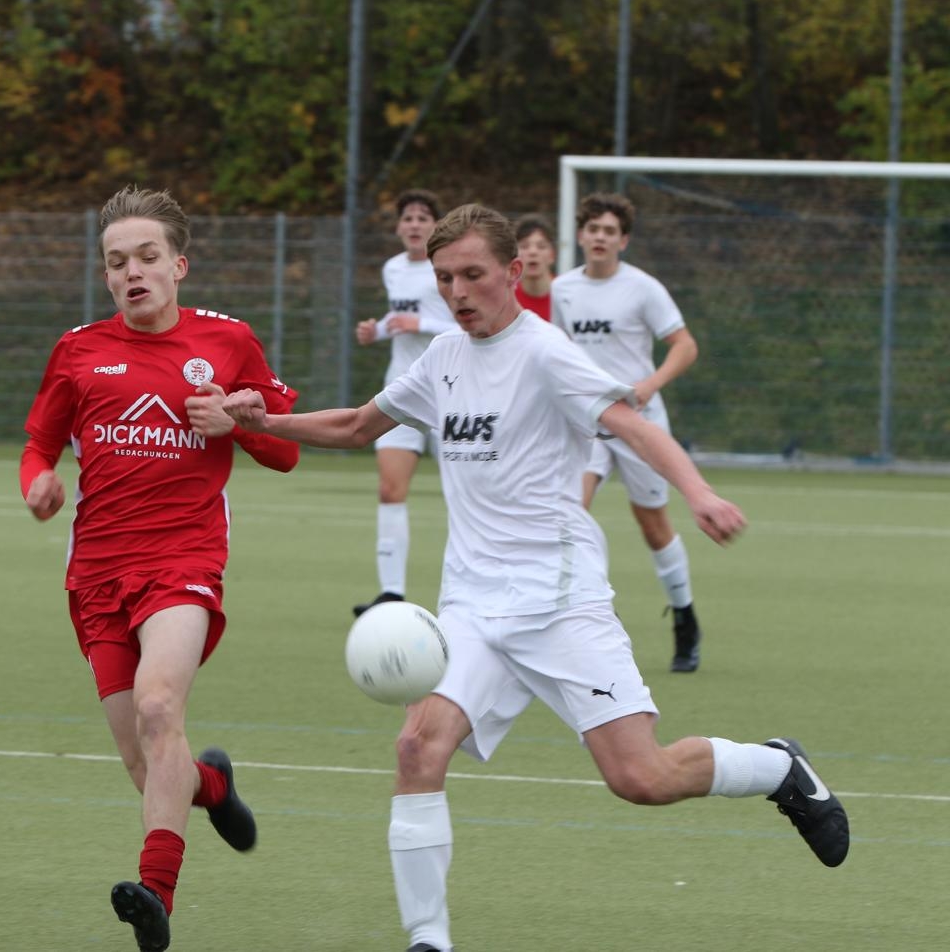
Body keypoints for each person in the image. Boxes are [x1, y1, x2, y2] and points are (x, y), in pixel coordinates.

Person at [223, 203, 849, 952]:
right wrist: (263, 423)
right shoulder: (443, 356)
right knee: (418, 748)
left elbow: (633, 426)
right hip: (470, 605)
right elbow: (360, 425)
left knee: (641, 778)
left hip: (559, 601)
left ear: (513, 272)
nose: (457, 292)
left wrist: (699, 493)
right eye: (444, 277)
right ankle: (429, 939)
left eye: (473, 275)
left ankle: (777, 768)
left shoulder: (546, 353)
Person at [20, 185, 300, 952]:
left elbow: (284, 451)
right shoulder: (78, 350)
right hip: (96, 572)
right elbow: (39, 445)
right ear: (105, 275)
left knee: (157, 708)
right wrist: (38, 484)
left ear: (179, 265)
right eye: (117, 262)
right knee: (149, 766)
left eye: (147, 257)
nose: (132, 272)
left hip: (183, 560)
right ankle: (214, 785)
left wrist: (235, 422)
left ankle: (154, 896)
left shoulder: (229, 342)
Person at [551, 192, 704, 672]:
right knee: (570, 514)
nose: (600, 237)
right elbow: (555, 351)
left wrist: (648, 385)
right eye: (593, 229)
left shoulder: (643, 288)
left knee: (653, 525)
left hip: (640, 423)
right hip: (587, 423)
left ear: (624, 240)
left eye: (610, 231)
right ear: (580, 235)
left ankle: (684, 615)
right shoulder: (562, 289)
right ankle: (596, 613)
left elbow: (684, 345)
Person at [352, 188, 459, 618]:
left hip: (450, 389)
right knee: (390, 489)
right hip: (402, 389)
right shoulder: (393, 268)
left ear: (436, 226)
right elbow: (399, 321)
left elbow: (464, 323)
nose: (414, 225)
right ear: (399, 227)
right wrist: (376, 331)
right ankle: (391, 593)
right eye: (408, 218)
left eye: (422, 218)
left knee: (464, 493)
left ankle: (463, 591)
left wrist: (422, 322)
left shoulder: (448, 267)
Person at [512, 213, 556, 320]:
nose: (533, 252)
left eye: (541, 246)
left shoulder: (567, 293)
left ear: (552, 255)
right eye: (524, 246)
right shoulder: (507, 299)